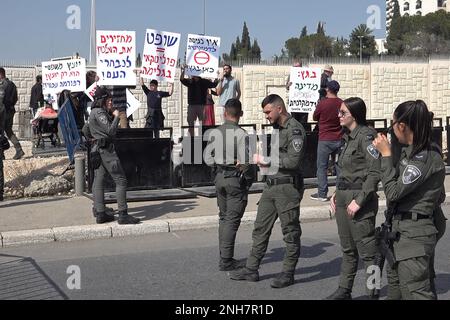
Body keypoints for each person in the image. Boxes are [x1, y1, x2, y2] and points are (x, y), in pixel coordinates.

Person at [230, 94, 306, 289]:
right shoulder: (277, 129)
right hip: (271, 186)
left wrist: (265, 160)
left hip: (287, 189)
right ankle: (251, 269)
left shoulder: (295, 129)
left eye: (268, 112)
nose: (266, 116)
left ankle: (288, 273)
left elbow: (292, 161)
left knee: (290, 233)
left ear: (279, 109)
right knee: (260, 229)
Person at [373, 100, 446, 300]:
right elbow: (439, 195)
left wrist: (386, 155)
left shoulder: (424, 158)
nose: (392, 132)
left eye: (393, 125)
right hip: (399, 232)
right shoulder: (410, 152)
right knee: (395, 291)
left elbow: (393, 193)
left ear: (402, 126)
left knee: (416, 293)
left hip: (413, 237)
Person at [326, 97, 381, 300]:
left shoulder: (366, 137)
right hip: (343, 197)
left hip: (359, 200)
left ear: (355, 115)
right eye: (339, 112)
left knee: (368, 252)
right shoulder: (348, 137)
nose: (338, 116)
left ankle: (372, 292)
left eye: (343, 113)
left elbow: (375, 172)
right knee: (348, 249)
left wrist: (359, 200)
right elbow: (346, 172)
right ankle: (344, 289)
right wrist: (336, 193)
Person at [205, 98, 255, 271]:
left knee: (223, 218)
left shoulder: (216, 132)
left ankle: (223, 255)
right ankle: (226, 260)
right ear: (240, 114)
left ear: (225, 113)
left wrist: (219, 165)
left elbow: (207, 158)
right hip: (235, 180)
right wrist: (248, 180)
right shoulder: (242, 134)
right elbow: (247, 163)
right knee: (232, 221)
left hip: (219, 178)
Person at [82, 87, 141, 225]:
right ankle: (123, 214)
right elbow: (110, 131)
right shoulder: (100, 112)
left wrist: (94, 137)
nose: (110, 102)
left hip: (97, 150)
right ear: (102, 100)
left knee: (99, 180)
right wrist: (116, 117)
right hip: (106, 151)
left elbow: (85, 129)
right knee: (121, 180)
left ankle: (100, 212)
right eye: (108, 99)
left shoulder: (93, 112)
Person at [310, 80, 343, 202]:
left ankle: (322, 193)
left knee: (322, 167)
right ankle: (340, 193)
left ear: (328, 89)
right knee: (339, 167)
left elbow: (315, 117)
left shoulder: (322, 103)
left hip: (324, 139)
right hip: (339, 138)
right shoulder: (342, 103)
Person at [180, 66, 219, 136]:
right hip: (192, 106)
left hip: (202, 106)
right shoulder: (190, 81)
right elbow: (182, 79)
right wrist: (184, 71)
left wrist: (216, 75)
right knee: (191, 124)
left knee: (203, 124)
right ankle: (191, 140)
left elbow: (214, 84)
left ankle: (202, 139)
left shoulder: (204, 81)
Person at [0, 67, 24, 160]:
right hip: (10, 111)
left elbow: (1, 101)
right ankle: (19, 149)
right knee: (8, 130)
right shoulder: (12, 84)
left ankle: (1, 154)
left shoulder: (2, 85)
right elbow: (15, 98)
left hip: (3, 112)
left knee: (1, 132)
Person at [286, 60, 309, 125]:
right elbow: (287, 87)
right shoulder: (291, 75)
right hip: (294, 103)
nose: (296, 68)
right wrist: (289, 85)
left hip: (304, 103)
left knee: (303, 122)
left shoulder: (306, 74)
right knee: (294, 121)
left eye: (297, 66)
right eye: (294, 66)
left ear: (301, 66)